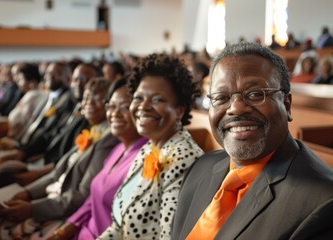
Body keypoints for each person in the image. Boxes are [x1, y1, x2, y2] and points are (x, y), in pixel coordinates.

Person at [171, 42, 333, 239]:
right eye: (222, 97)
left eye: (256, 94)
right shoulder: (200, 168)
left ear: (287, 105)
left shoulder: (322, 202)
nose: (236, 108)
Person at [0, 78, 119, 240]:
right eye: (86, 98)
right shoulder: (92, 130)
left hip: (63, 210)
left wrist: (32, 208)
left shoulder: (108, 138)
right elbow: (58, 172)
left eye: (98, 98)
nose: (89, 102)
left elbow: (81, 196)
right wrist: (27, 192)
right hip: (53, 195)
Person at [97, 53, 204, 239]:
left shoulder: (184, 158)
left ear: (179, 110)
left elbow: (168, 237)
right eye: (138, 98)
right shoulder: (149, 148)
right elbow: (118, 227)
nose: (143, 107)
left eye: (157, 100)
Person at [46, 78, 148, 240]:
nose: (115, 113)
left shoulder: (146, 159)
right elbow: (91, 201)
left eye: (124, 107)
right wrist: (65, 229)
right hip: (82, 230)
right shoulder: (118, 148)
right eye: (112, 106)